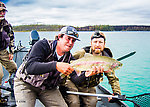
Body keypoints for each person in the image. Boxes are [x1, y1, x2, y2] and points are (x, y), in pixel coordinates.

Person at [14, 26, 80, 107]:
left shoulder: (69, 59)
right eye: (68, 38)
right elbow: (30, 67)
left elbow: (75, 78)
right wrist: (55, 65)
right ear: (59, 37)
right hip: (26, 83)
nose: (70, 43)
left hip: (47, 87)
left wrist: (88, 74)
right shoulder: (42, 45)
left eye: (73, 41)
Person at [61, 31, 121, 107]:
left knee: (92, 103)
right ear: (91, 43)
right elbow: (67, 60)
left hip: (88, 86)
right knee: (74, 103)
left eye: (100, 42)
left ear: (104, 44)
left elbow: (113, 78)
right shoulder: (81, 53)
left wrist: (116, 93)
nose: (97, 45)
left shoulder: (107, 60)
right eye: (95, 42)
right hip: (72, 82)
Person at [0, 1, 17, 104]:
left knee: (14, 68)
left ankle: (12, 86)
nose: (2, 13)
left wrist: (11, 51)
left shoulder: (7, 25)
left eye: (3, 11)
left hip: (3, 51)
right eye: (0, 11)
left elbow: (11, 38)